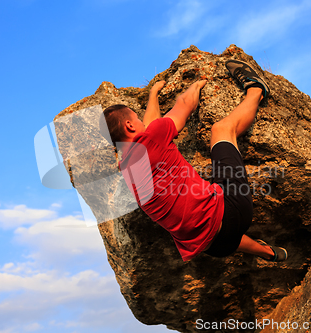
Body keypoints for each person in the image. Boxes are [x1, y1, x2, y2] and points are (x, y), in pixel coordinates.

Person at [100, 60, 287, 262]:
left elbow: (149, 126)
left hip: (213, 247)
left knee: (211, 224)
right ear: (129, 125)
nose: (141, 121)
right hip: (234, 212)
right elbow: (184, 105)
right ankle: (257, 89)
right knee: (221, 130)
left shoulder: (127, 171)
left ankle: (267, 253)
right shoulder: (151, 140)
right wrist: (197, 84)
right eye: (136, 118)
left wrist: (153, 94)